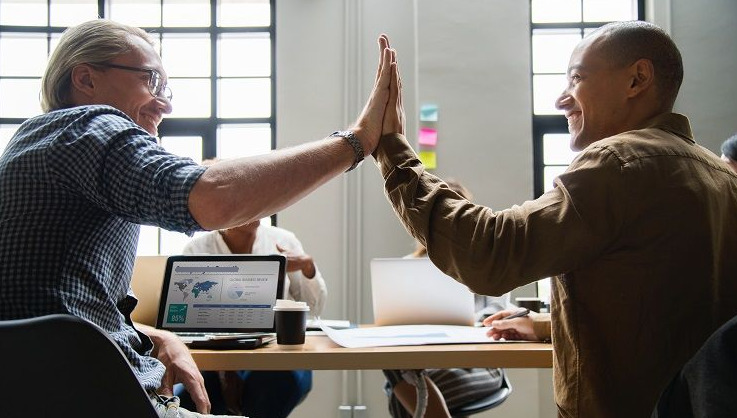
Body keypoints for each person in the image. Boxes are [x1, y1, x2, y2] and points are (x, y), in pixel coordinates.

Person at [0, 19, 397, 418]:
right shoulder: (91, 128)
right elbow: (213, 198)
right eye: (150, 80)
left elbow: (61, 308)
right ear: (86, 79)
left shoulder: (29, 145)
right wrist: (357, 141)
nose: (166, 104)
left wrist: (153, 335)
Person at [373, 22, 737, 417]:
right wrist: (547, 326)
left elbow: (490, 250)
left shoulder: (618, 163)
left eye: (577, 78)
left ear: (637, 79)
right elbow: (675, 312)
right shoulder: (722, 178)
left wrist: (393, 150)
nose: (562, 100)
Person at [175, 179, 327, 416]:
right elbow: (191, 322)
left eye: (257, 200)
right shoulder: (196, 251)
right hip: (214, 360)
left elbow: (315, 308)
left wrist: (307, 267)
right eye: (244, 201)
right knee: (189, 395)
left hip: (275, 357)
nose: (256, 207)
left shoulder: (283, 241)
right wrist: (225, 370)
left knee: (275, 384)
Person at [382, 178, 513, 418]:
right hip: (426, 362)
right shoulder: (408, 267)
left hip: (478, 365)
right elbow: (394, 315)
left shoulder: (484, 265)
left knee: (402, 394)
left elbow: (497, 317)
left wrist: (467, 323)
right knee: (393, 367)